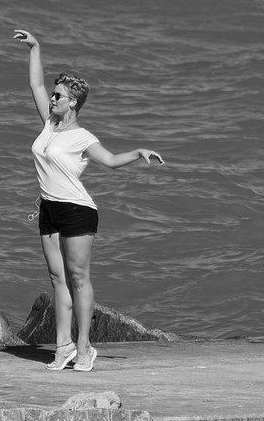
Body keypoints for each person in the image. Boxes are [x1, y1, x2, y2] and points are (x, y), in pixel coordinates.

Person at [12, 29, 164, 372]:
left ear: (73, 103)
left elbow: (109, 160)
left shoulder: (83, 137)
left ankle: (84, 348)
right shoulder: (49, 126)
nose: (51, 99)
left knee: (78, 278)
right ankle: (62, 346)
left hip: (77, 211)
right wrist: (36, 47)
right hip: (49, 208)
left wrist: (138, 152)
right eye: (53, 95)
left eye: (58, 96)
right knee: (56, 278)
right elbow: (35, 86)